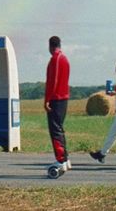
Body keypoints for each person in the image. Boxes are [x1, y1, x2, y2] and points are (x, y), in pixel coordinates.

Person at [44, 35, 71, 171]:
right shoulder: (65, 59)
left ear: (50, 46)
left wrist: (47, 99)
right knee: (59, 128)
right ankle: (65, 158)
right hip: (64, 98)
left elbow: (52, 81)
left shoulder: (55, 59)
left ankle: (60, 159)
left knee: (55, 130)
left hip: (56, 98)